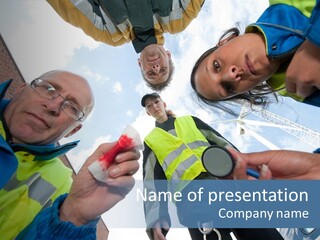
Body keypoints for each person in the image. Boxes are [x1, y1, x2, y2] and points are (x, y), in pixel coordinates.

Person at [0, 70, 140, 239]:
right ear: (21, 89)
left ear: (73, 130)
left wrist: (74, 217)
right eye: (49, 89)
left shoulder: (64, 186)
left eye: (72, 108)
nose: (53, 106)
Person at [141, 92, 284, 240]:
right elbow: (151, 182)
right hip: (192, 200)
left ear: (164, 104)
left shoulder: (190, 121)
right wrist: (155, 218)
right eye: (149, 106)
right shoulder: (151, 141)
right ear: (148, 113)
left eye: (156, 102)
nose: (154, 106)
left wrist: (249, 170)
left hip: (227, 185)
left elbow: (223, 144)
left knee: (262, 232)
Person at [46, 0, 205, 91]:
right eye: (163, 69)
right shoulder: (180, 18)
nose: (156, 68)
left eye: (150, 73)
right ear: (168, 55)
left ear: (139, 64)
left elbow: (73, 6)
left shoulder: (111, 34)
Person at [190, 1, 320, 110]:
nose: (231, 75)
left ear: (226, 40)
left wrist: (315, 44)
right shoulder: (301, 92)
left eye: (216, 66)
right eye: (228, 87)